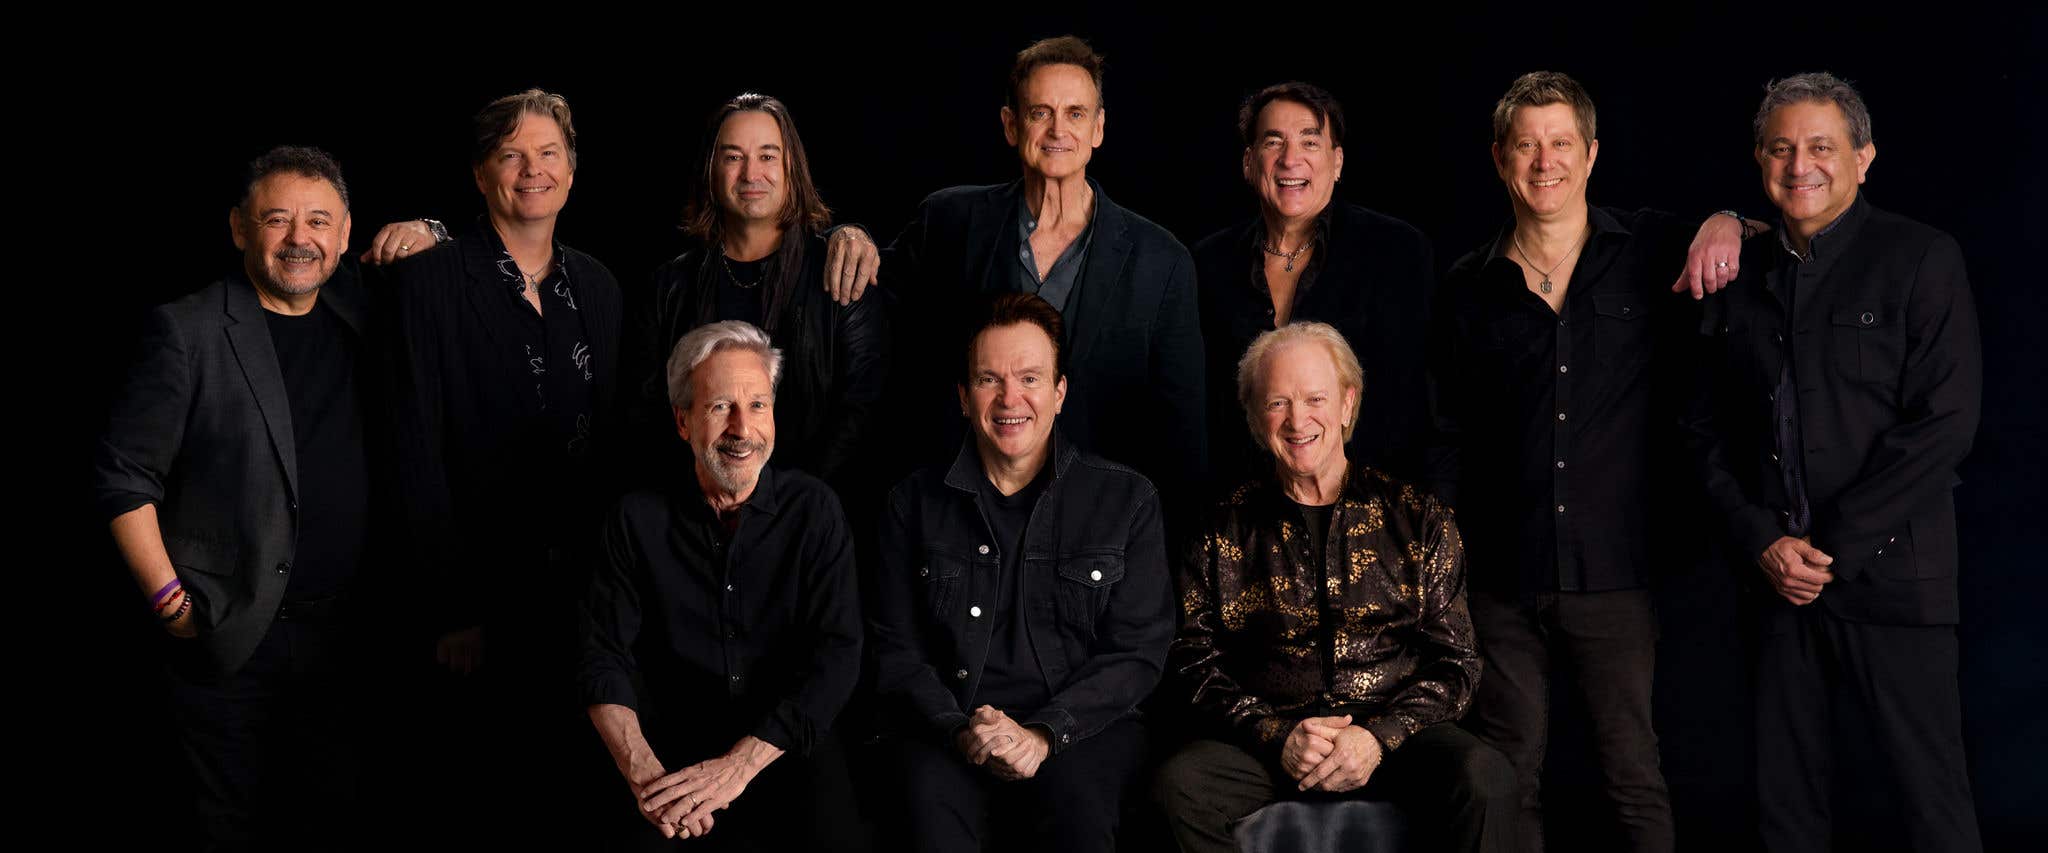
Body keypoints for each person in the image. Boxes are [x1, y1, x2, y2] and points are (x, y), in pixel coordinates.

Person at [1430, 71, 1763, 851]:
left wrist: (1726, 219)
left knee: (1630, 770)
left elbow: (1760, 233)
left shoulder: (1647, 248)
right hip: (1501, 575)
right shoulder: (1467, 284)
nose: (1544, 161)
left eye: (1561, 143)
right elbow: (1446, 431)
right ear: (1499, 158)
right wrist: (1443, 556)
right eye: (1526, 145)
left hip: (1616, 569)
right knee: (1510, 770)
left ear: (1591, 154)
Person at [1683, 72, 1984, 852]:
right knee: (1784, 811)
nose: (1800, 166)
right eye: (1780, 149)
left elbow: (1946, 424)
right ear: (1759, 159)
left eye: (1821, 147)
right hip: (1773, 584)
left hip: (1895, 580)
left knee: (1932, 805)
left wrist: (1831, 548)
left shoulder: (1921, 257)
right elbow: (1704, 432)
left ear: (1864, 156)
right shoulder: (1737, 272)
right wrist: (1762, 541)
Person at [95, 146, 373, 851]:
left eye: (319, 221)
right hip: (230, 639)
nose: (299, 238)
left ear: (345, 234)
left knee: (329, 823)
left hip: (343, 643)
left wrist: (429, 226)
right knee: (227, 831)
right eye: (277, 219)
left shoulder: (361, 313)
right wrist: (173, 605)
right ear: (239, 228)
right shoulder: (187, 330)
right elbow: (124, 477)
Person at [1154, 322, 1515, 853]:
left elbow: (1458, 663)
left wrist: (1377, 737)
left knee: (1485, 778)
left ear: (1347, 404)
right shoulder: (1220, 528)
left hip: (1395, 739)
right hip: (1267, 740)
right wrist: (1276, 736)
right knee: (1176, 787)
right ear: (1255, 418)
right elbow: (1192, 661)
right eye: (1277, 402)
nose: (1297, 420)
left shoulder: (1419, 518)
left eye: (1314, 399)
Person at [382, 87, 626, 837]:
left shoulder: (598, 285)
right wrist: (452, 608)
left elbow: (615, 444)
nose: (532, 170)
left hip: (581, 594)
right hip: (476, 602)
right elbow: (414, 449)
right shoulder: (430, 280)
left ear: (572, 170)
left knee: (573, 797)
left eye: (548, 153)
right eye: (510, 155)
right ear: (481, 174)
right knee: (482, 794)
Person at [853, 35, 1207, 517]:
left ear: (1098, 128)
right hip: (963, 516)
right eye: (1041, 112)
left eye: (1075, 113)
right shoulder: (949, 223)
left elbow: (1182, 433)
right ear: (1011, 125)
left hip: (1100, 525)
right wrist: (847, 234)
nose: (1058, 129)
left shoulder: (1161, 261)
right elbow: (866, 288)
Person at [871, 293, 1174, 852]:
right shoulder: (910, 505)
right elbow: (896, 651)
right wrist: (961, 731)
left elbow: (1138, 652)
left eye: (1030, 378)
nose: (1010, 399)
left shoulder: (1127, 500)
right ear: (964, 398)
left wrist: (1042, 733)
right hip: (950, 728)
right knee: (923, 817)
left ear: (1059, 393)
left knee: (1078, 816)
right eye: (989, 379)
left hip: (1083, 730)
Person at [583, 321, 868, 851]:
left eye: (757, 405)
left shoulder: (816, 511)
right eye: (720, 407)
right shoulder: (633, 519)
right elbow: (602, 658)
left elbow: (838, 655)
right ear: (682, 420)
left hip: (783, 743)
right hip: (668, 748)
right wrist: (644, 774)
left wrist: (739, 766)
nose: (742, 428)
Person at [640, 93, 886, 493]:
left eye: (767, 156)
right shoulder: (669, 286)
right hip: (696, 503)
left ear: (792, 168)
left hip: (814, 504)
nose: (750, 173)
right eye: (733, 157)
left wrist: (791, 505)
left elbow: (861, 411)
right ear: (712, 170)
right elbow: (650, 412)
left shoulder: (840, 272)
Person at [1193, 81, 1434, 487]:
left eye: (1309, 142)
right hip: (1241, 507)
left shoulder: (1398, 253)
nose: (1291, 159)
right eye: (1274, 142)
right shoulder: (1206, 264)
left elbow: (1413, 404)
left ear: (1337, 162)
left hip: (1367, 503)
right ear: (1249, 162)